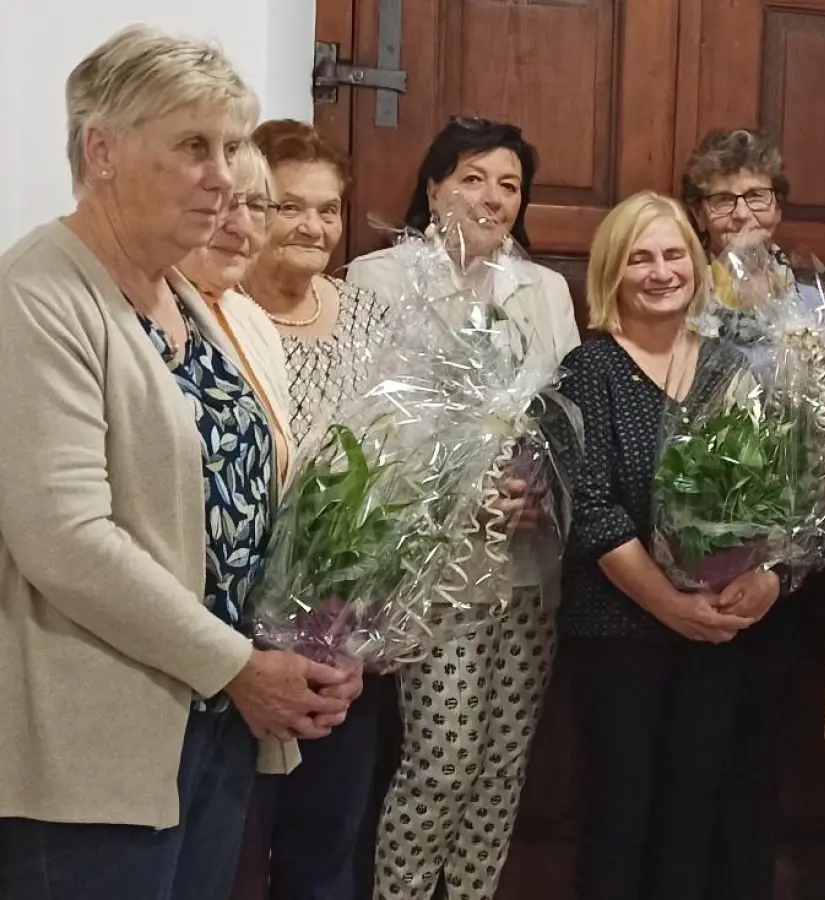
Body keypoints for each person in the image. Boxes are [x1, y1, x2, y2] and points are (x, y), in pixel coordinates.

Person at [0, 26, 356, 900]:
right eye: (194, 146)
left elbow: (244, 498)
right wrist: (239, 666)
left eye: (232, 147)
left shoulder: (186, 294)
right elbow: (66, 538)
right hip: (98, 740)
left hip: (212, 719)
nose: (227, 175)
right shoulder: (39, 293)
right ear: (103, 149)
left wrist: (323, 628)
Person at [357, 116, 581, 900]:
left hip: (528, 565)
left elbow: (565, 417)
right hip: (434, 569)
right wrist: (454, 482)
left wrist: (543, 486)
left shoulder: (544, 289)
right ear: (432, 187)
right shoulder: (378, 279)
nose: (492, 198)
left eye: (509, 185)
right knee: (441, 763)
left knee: (502, 763)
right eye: (473, 178)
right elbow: (364, 424)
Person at [555, 191, 778, 900]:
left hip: (718, 633)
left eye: (673, 253)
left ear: (697, 264)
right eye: (639, 257)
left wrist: (768, 577)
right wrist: (668, 605)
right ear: (612, 272)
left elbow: (782, 491)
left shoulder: (732, 367)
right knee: (621, 816)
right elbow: (589, 510)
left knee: (698, 819)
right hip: (618, 633)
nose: (660, 271)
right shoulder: (583, 372)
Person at [678, 125, 825, 900]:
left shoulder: (817, 306)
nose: (741, 210)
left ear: (778, 206)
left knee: (759, 757)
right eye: (721, 198)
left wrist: (781, 563)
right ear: (700, 212)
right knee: (686, 760)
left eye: (756, 195)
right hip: (684, 568)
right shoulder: (678, 289)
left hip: (784, 567)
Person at [238, 118, 392, 900]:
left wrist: (364, 625)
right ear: (249, 209)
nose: (313, 226)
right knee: (233, 850)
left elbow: (406, 461)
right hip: (240, 642)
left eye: (329, 210)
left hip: (343, 638)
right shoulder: (218, 313)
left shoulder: (369, 315)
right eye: (290, 207)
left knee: (327, 846)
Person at [174, 141, 294, 487]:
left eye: (256, 205)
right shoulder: (148, 316)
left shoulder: (252, 320)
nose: (241, 225)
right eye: (222, 201)